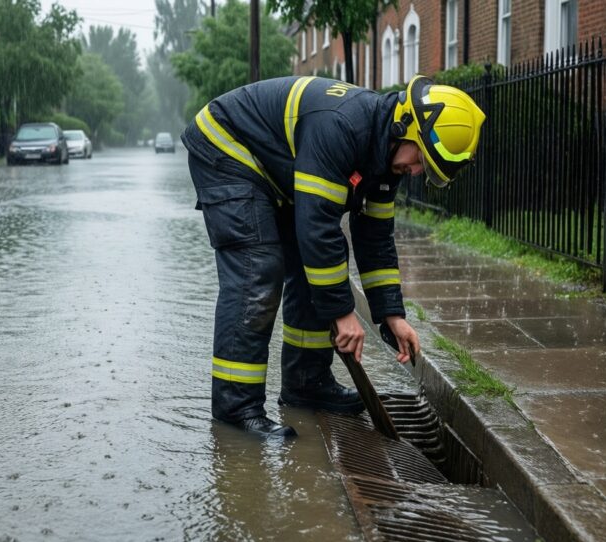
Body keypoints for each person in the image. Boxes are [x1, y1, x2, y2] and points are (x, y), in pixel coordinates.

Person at [181, 75, 486, 437]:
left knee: (321, 267)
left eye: (426, 170)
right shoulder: (343, 127)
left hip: (277, 169)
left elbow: (376, 240)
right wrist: (342, 314)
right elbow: (317, 226)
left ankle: (306, 384)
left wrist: (391, 315)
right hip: (227, 148)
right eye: (421, 158)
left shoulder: (386, 157)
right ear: (405, 126)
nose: (416, 171)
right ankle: (236, 409)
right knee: (257, 271)